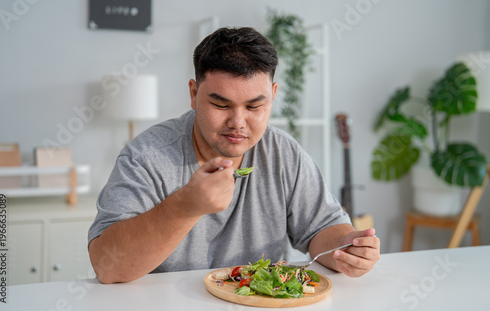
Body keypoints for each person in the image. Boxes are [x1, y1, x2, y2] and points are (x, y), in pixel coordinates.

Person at [88, 27, 380, 284]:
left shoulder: (284, 153)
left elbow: (322, 228)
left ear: (273, 96)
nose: (238, 122)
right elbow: (107, 267)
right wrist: (184, 206)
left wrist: (346, 246)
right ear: (193, 93)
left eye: (254, 107)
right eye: (221, 105)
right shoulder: (146, 156)